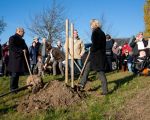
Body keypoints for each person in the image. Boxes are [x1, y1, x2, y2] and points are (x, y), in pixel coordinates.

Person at [78, 19, 108, 95]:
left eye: (91, 24)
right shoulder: (102, 32)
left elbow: (96, 45)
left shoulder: (95, 32)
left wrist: (91, 48)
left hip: (97, 56)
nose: (90, 26)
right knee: (87, 67)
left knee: (100, 72)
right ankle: (81, 84)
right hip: (98, 55)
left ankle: (105, 91)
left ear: (94, 24)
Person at [8, 27, 29, 92]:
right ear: (19, 31)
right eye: (23, 32)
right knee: (14, 74)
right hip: (15, 59)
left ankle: (16, 87)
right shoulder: (12, 38)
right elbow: (12, 47)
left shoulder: (22, 40)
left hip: (20, 60)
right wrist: (21, 50)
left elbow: (25, 48)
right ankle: (12, 89)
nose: (24, 33)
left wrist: (25, 50)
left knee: (17, 74)